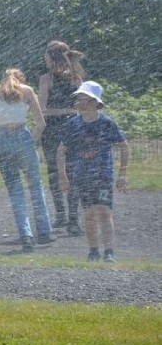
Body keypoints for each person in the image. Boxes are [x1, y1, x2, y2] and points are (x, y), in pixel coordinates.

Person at [58, 81, 128, 263]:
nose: (81, 103)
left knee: (104, 212)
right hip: (82, 176)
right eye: (79, 99)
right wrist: (62, 176)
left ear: (96, 103)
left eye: (85, 99)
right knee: (89, 214)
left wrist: (122, 174)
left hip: (103, 175)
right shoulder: (73, 124)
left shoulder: (106, 123)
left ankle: (109, 251)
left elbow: (124, 146)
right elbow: (61, 150)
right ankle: (93, 251)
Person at [0, 69, 54, 252]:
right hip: (21, 135)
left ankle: (26, 234)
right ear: (21, 78)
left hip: (1, 139)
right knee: (35, 185)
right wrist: (30, 141)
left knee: (15, 190)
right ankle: (45, 230)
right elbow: (41, 124)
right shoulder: (27, 91)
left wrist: (1, 140)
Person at [38, 40, 85, 235]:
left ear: (51, 57)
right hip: (73, 124)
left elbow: (41, 109)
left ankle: (60, 215)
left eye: (46, 55)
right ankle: (73, 219)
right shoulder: (77, 78)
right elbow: (82, 104)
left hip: (53, 127)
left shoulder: (46, 79)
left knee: (53, 171)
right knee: (73, 171)